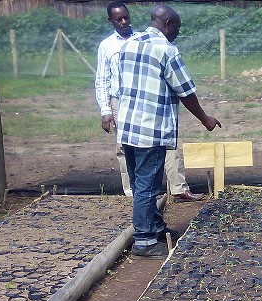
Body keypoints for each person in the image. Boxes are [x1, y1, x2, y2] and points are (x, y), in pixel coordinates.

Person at [116, 5, 221, 259]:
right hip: (150, 129)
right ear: (169, 24)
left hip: (129, 127)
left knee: (141, 181)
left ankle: (154, 226)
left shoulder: (128, 45)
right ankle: (145, 240)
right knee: (147, 185)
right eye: (176, 29)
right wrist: (205, 118)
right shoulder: (166, 50)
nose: (176, 35)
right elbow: (185, 91)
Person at [94, 1, 203, 202]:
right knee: (128, 151)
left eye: (126, 17)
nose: (124, 21)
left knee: (166, 146)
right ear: (111, 21)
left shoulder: (138, 39)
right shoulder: (108, 46)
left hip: (151, 103)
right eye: (119, 19)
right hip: (123, 102)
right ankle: (136, 197)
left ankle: (175, 187)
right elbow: (102, 79)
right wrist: (105, 109)